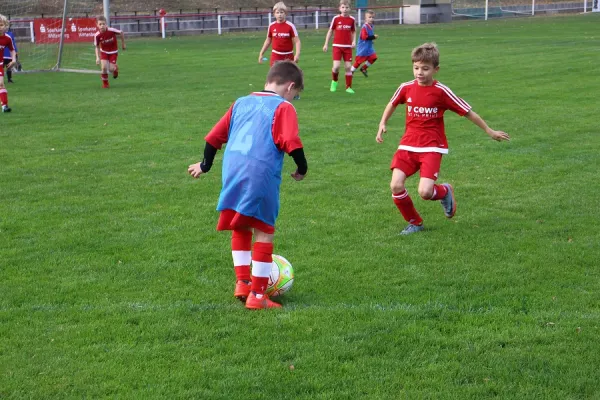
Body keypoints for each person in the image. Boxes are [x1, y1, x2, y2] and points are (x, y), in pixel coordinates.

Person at [187, 60, 308, 310]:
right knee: (263, 228)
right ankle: (259, 295)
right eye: (295, 95)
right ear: (290, 86)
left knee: (240, 225)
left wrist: (205, 165)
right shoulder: (284, 107)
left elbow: (213, 137)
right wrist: (302, 167)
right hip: (260, 173)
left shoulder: (241, 101)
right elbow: (291, 141)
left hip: (232, 171)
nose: (293, 99)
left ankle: (242, 283)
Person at [376, 43, 510, 235]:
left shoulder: (441, 92)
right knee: (396, 185)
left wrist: (489, 131)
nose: (419, 73)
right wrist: (382, 123)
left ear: (435, 69)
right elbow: (392, 103)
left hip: (432, 147)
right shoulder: (406, 88)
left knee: (425, 192)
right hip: (408, 144)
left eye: (425, 68)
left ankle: (445, 192)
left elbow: (468, 112)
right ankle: (415, 223)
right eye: (416, 68)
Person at [322, 0, 356, 94]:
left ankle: (348, 87)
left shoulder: (352, 20)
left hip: (347, 47)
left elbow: (353, 31)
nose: (345, 9)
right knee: (336, 67)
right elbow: (330, 31)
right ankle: (334, 82)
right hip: (337, 46)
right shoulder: (336, 19)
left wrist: (353, 41)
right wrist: (326, 44)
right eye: (343, 7)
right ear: (339, 8)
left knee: (348, 67)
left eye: (347, 7)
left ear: (350, 9)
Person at [258, 2, 301, 67]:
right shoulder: (271, 26)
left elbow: (297, 41)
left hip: (288, 56)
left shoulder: (290, 26)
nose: (279, 14)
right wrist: (261, 53)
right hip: (275, 55)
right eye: (277, 13)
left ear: (285, 13)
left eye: (281, 12)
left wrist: (297, 54)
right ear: (274, 14)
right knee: (275, 75)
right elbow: (268, 40)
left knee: (288, 76)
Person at [93, 16, 126, 88]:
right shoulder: (97, 35)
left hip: (113, 52)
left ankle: (115, 68)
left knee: (111, 69)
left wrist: (123, 44)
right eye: (100, 24)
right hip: (104, 52)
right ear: (97, 25)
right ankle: (105, 84)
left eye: (103, 24)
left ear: (106, 24)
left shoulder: (111, 30)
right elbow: (97, 46)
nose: (102, 26)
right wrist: (97, 58)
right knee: (104, 68)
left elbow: (121, 32)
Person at [351, 10, 377, 78]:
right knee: (358, 62)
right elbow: (364, 37)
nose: (371, 19)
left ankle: (364, 68)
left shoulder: (371, 26)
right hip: (363, 48)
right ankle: (351, 72)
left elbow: (368, 37)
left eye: (372, 17)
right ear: (366, 18)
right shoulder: (364, 27)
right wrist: (373, 37)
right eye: (369, 17)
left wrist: (371, 41)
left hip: (368, 48)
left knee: (373, 57)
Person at [0, 14, 16, 113]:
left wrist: (13, 59)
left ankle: (4, 106)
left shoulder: (7, 38)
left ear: (6, 26)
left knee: (1, 84)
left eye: (1, 25)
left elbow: (12, 49)